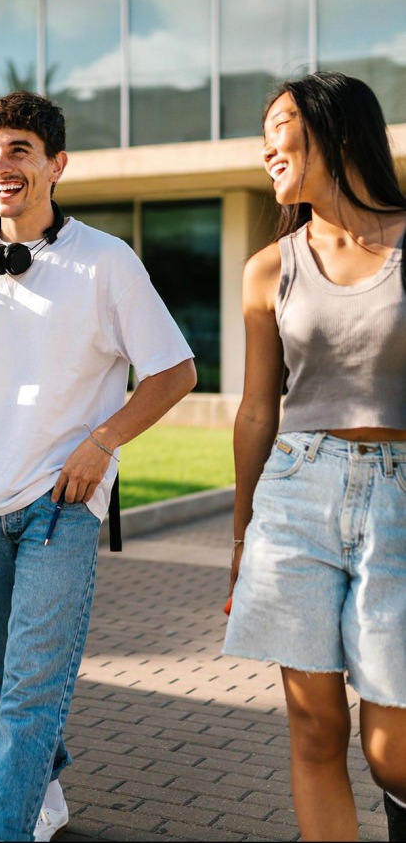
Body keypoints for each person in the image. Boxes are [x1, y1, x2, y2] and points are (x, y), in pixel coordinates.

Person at [0, 90, 196, 843]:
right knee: (5, 681)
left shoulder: (106, 262)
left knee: (33, 692)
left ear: (56, 165)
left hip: (58, 504)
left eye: (18, 151)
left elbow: (174, 372)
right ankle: (41, 787)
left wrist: (102, 443)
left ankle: (1, 828)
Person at [222, 71, 406, 842]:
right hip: (296, 496)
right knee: (314, 729)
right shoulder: (270, 266)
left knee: (393, 748)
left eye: (282, 125)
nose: (268, 145)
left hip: (400, 497)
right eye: (262, 132)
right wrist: (238, 541)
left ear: (334, 130)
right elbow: (259, 408)